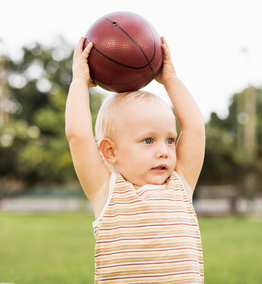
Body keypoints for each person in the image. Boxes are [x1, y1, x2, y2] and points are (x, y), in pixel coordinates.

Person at [66, 36, 205, 283]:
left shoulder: (180, 185)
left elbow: (194, 128)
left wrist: (170, 80)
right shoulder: (106, 193)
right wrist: (79, 81)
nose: (164, 151)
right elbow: (78, 137)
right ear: (110, 152)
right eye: (148, 140)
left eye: (170, 140)